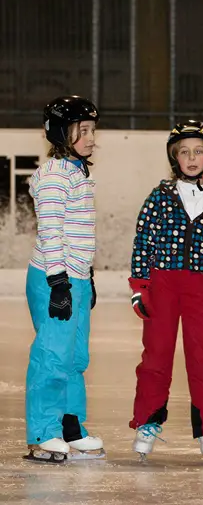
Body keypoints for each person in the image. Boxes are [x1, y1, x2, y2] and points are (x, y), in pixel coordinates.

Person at [127, 121, 203, 462]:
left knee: (201, 356)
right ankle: (148, 421)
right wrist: (140, 285)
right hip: (162, 283)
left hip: (201, 285)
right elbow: (143, 241)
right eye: (184, 152)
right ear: (174, 157)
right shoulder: (159, 196)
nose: (192, 158)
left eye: (199, 151)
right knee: (156, 354)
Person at [25, 96, 103, 462]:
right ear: (59, 133)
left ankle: (70, 426)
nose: (90, 139)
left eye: (92, 130)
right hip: (54, 278)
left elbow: (79, 233)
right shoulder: (55, 177)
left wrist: (87, 276)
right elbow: (51, 232)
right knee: (53, 357)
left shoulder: (77, 171)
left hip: (76, 278)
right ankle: (44, 431)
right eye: (81, 131)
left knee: (75, 358)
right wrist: (59, 283)